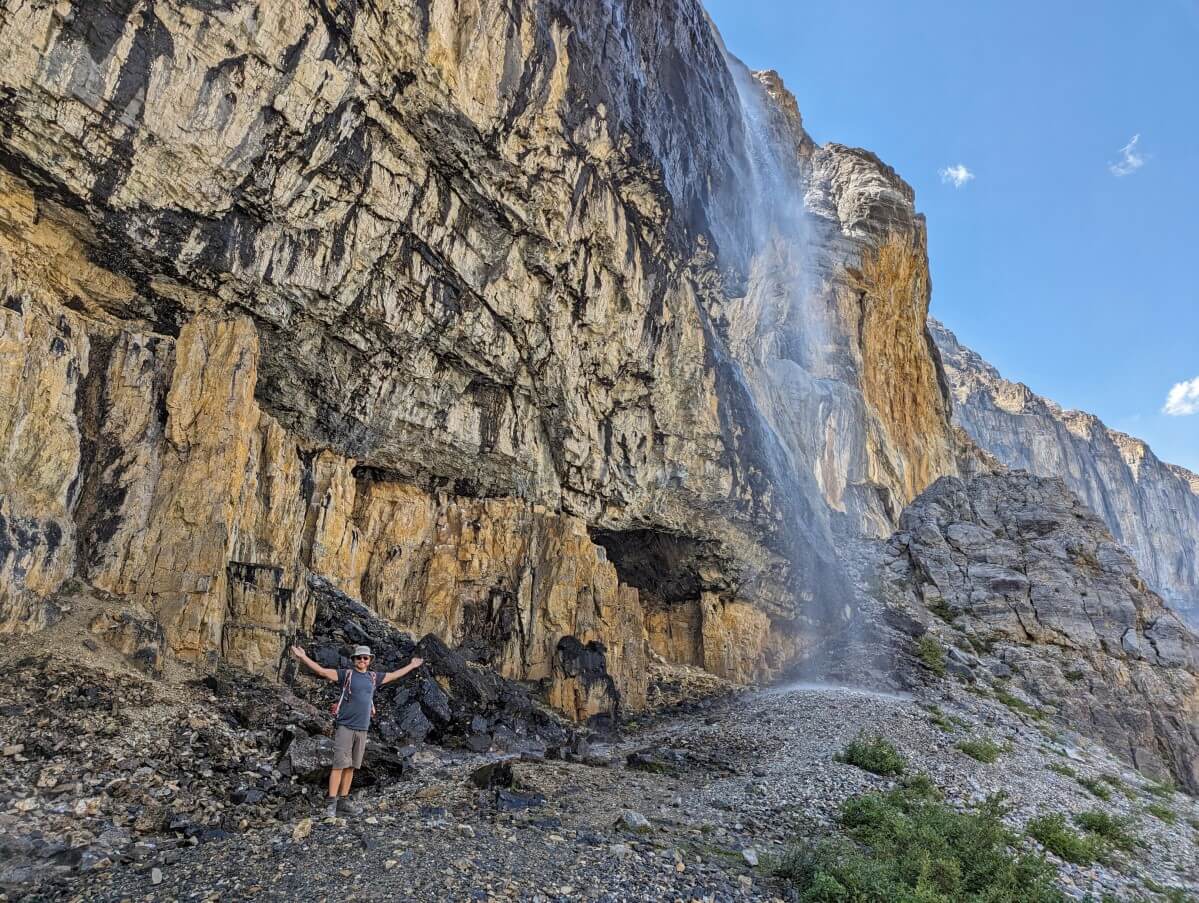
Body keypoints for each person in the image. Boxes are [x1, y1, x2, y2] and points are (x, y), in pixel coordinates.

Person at [289, 643, 424, 817]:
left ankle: (343, 802)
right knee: (339, 765)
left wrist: (412, 665)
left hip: (362, 728)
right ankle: (331, 803)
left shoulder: (374, 677)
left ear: (369, 661)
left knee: (351, 766)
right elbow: (322, 671)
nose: (362, 660)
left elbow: (394, 675)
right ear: (354, 660)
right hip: (345, 726)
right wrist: (303, 657)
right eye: (359, 657)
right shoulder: (347, 674)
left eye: (365, 658)